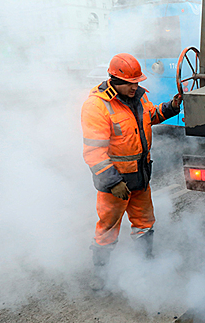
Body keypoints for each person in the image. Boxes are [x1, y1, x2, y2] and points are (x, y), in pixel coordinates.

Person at [81, 53, 182, 290]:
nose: (135, 87)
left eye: (137, 82)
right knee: (107, 229)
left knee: (145, 224)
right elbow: (93, 152)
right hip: (115, 184)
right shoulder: (97, 106)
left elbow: (152, 116)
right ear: (114, 79)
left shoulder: (138, 98)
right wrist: (112, 182)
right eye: (130, 83)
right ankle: (101, 275)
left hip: (140, 178)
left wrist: (171, 107)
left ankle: (145, 266)